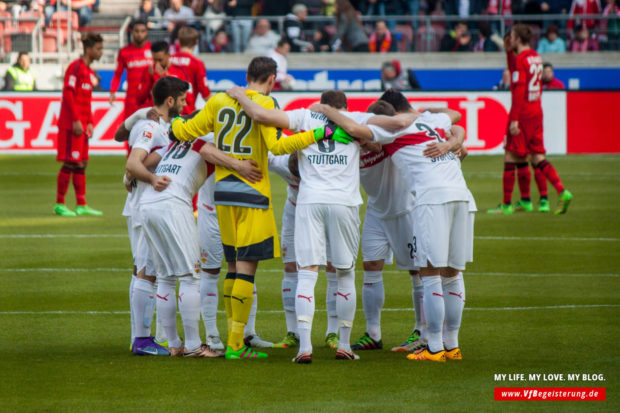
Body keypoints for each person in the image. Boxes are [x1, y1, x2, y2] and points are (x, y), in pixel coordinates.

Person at [170, 56, 350, 360]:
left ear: (247, 75)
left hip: (223, 194)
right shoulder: (266, 104)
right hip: (252, 192)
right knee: (246, 272)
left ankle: (232, 339)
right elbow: (279, 147)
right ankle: (236, 345)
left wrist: (173, 121)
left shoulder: (218, 101)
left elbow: (186, 131)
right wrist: (319, 134)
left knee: (231, 267)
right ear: (271, 79)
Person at [317, 89, 474, 362]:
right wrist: (452, 143)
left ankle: (433, 345)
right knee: (452, 273)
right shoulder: (430, 121)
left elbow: (366, 126)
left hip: (427, 201)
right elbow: (456, 120)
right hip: (461, 194)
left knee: (430, 273)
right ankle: (451, 344)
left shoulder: (394, 129)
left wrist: (326, 110)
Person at [134, 86, 263, 359]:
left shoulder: (174, 139)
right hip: (173, 205)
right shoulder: (205, 136)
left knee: (167, 278)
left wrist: (131, 179)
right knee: (191, 277)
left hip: (148, 203)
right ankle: (193, 345)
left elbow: (147, 161)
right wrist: (239, 165)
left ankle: (173, 343)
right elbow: (209, 153)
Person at [122, 77, 180, 356]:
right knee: (147, 271)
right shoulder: (150, 126)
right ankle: (142, 341)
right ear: (170, 101)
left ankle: (140, 336)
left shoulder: (158, 126)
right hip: (144, 206)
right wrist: (152, 178)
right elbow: (132, 163)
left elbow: (121, 139)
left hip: (144, 205)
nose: (185, 104)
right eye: (182, 99)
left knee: (143, 270)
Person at [488, 24, 572, 215]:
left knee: (510, 155)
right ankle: (560, 191)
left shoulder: (521, 60)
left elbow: (518, 90)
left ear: (517, 39)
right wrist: (509, 53)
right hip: (536, 110)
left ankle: (507, 205)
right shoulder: (535, 56)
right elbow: (517, 69)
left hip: (523, 113)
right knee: (535, 155)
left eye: (512, 36)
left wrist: (515, 120)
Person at [54, 33, 104, 217]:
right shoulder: (75, 68)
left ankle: (81, 204)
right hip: (71, 124)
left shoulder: (89, 72)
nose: (101, 52)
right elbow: (68, 94)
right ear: (89, 49)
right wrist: (76, 120)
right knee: (71, 161)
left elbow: (86, 100)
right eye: (98, 49)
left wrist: (89, 121)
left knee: (82, 163)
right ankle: (59, 203)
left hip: (82, 124)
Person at [109, 19, 153, 124]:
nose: (139, 34)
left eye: (142, 31)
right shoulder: (124, 52)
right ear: (131, 32)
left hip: (150, 99)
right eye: (137, 31)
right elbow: (118, 74)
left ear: (147, 32)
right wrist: (112, 91)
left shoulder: (153, 50)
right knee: (129, 131)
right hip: (132, 99)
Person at [136, 40, 190, 111]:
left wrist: (162, 77)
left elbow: (187, 99)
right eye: (154, 60)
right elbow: (139, 100)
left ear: (168, 55)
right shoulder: (149, 71)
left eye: (160, 60)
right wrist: (149, 80)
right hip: (156, 115)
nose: (157, 63)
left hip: (175, 115)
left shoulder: (179, 72)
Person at [170, 25, 211, 113]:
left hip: (167, 113)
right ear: (196, 42)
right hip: (186, 113)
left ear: (179, 41)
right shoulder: (197, 63)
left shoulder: (168, 59)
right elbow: (206, 95)